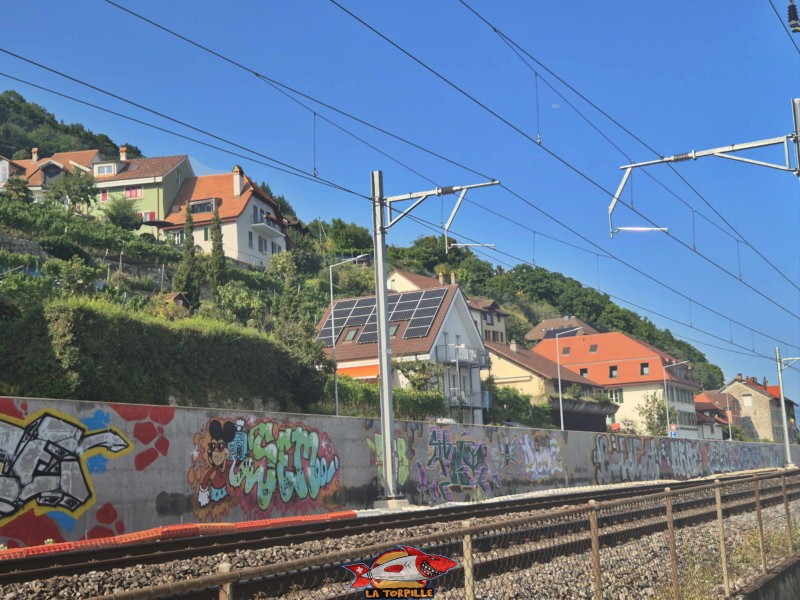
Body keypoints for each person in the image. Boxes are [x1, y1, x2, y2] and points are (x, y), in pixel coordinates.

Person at [198, 420, 236, 506]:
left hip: (224, 491)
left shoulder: (227, 464)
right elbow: (206, 478)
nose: (215, 451)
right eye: (212, 446)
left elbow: (234, 464)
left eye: (220, 446)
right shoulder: (214, 468)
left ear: (226, 451)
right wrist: (203, 494)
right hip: (215, 492)